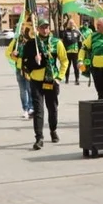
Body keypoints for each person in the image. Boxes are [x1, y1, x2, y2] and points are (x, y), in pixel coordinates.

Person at [20, 19, 68, 150]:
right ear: (38, 29)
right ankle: (39, 137)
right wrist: (35, 61)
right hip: (36, 80)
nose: (45, 30)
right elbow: (24, 63)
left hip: (51, 80)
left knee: (52, 108)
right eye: (42, 27)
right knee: (38, 110)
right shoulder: (31, 43)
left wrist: (59, 77)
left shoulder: (56, 43)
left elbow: (64, 61)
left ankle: (53, 129)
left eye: (47, 27)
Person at [6, 26, 34, 119]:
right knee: (23, 90)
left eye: (24, 27)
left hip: (29, 68)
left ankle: (31, 108)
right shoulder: (17, 40)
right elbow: (8, 53)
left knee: (30, 89)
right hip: (19, 68)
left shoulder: (33, 38)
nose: (23, 29)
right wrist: (13, 54)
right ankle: (25, 109)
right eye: (21, 28)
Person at [61, 21, 82, 85]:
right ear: (68, 24)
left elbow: (79, 42)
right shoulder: (65, 32)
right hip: (67, 52)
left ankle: (77, 79)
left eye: (72, 23)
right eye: (70, 23)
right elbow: (62, 41)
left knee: (76, 66)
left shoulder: (77, 32)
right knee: (67, 66)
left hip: (75, 52)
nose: (71, 24)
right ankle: (67, 79)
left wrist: (80, 50)